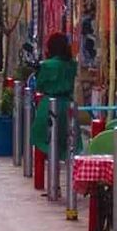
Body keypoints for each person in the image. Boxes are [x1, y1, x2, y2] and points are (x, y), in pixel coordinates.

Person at [31, 32, 78, 162]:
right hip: (67, 103)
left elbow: (40, 85)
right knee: (67, 138)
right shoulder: (72, 64)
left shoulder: (47, 65)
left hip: (49, 104)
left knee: (43, 136)